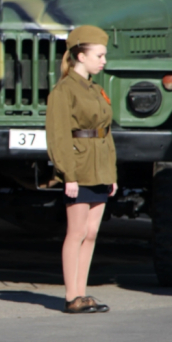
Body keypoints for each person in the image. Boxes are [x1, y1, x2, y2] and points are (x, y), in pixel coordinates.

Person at [46, 25, 116, 314]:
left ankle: (82, 293)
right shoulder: (64, 90)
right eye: (99, 55)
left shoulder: (96, 89)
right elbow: (58, 135)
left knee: (91, 233)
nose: (104, 61)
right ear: (80, 55)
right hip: (79, 166)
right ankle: (71, 296)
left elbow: (106, 133)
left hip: (100, 167)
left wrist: (112, 174)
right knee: (75, 233)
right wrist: (68, 175)